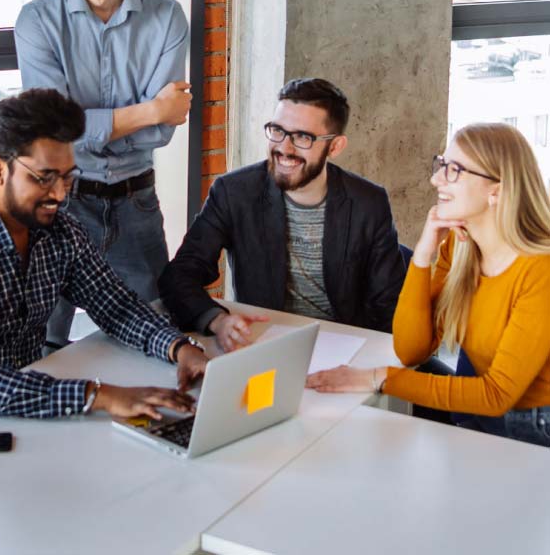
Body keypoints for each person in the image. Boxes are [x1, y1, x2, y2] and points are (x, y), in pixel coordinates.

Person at [0, 88, 207, 423]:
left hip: (16, 411)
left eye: (67, 177)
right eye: (44, 178)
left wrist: (179, 348)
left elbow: (116, 307)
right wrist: (100, 395)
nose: (60, 194)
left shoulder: (59, 231)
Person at [14, 0, 190, 346]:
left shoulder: (168, 17)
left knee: (155, 336)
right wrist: (149, 109)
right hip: (58, 203)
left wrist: (94, 124)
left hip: (136, 205)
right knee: (41, 344)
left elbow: (163, 133)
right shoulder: (37, 21)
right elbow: (55, 132)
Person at [307, 122, 550, 448]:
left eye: (454, 170)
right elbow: (411, 349)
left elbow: (496, 395)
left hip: (536, 425)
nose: (436, 179)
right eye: (441, 165)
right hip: (476, 407)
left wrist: (377, 377)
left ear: (496, 189)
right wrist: (423, 254)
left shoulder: (540, 270)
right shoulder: (461, 248)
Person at [159, 78, 406, 352]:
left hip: (343, 347)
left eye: (303, 137)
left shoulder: (368, 203)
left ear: (334, 147)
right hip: (264, 344)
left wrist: (369, 365)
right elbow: (179, 276)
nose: (285, 148)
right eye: (277, 130)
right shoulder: (234, 192)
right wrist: (218, 321)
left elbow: (389, 308)